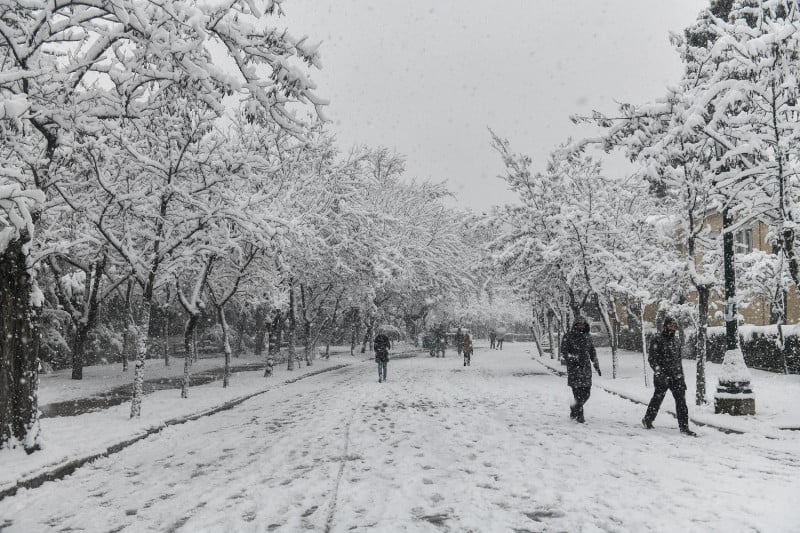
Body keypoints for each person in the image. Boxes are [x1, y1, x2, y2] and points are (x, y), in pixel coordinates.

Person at [642, 317, 697, 436]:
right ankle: (648, 419)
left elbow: (678, 361)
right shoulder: (657, 339)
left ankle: (684, 427)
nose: (673, 328)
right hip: (662, 376)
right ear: (665, 326)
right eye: (670, 326)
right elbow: (652, 358)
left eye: (674, 326)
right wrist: (659, 373)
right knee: (657, 399)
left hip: (676, 377)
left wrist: (682, 378)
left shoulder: (676, 341)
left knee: (681, 402)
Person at [560, 316, 601, 423]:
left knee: (587, 394)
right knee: (577, 394)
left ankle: (574, 408)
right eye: (579, 324)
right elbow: (564, 352)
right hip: (575, 370)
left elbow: (592, 351)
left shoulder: (588, 336)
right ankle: (580, 415)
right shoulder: (568, 336)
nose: (581, 326)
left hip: (586, 369)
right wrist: (574, 358)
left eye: (583, 324)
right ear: (575, 325)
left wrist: (596, 363)